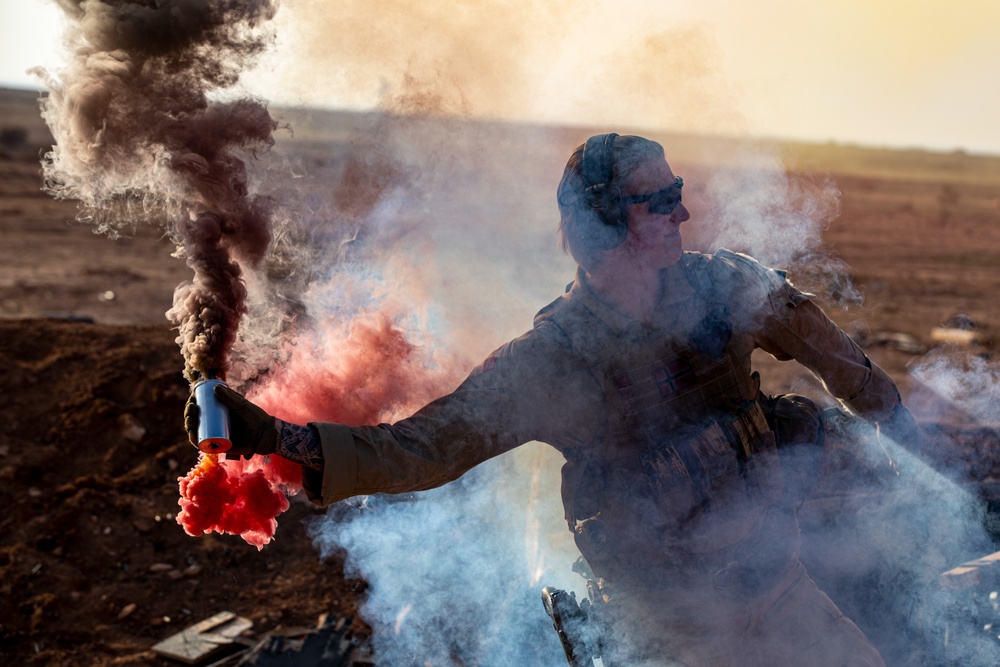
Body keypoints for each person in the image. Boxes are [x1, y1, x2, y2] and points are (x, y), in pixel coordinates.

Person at [186, 133, 920, 666]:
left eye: (677, 196)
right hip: (673, 635)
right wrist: (278, 437)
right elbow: (419, 449)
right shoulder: (555, 361)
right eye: (657, 203)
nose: (681, 216)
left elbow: (844, 364)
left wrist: (919, 445)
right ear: (598, 226)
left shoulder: (726, 289)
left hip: (781, 589)